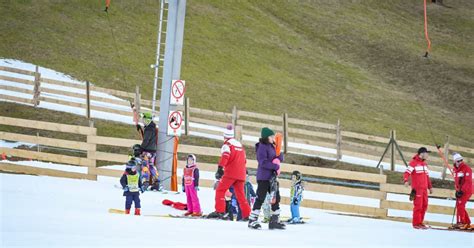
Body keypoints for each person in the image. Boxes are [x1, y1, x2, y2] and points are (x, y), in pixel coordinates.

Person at [207, 124, 251, 221]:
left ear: (224, 136)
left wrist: (220, 168)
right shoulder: (240, 145)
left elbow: (225, 156)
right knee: (241, 195)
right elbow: (244, 161)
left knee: (220, 190)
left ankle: (220, 211)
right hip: (241, 174)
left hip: (231, 173)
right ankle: (247, 214)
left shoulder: (227, 145)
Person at [248, 127, 285, 230]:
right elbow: (262, 162)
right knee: (260, 197)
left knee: (275, 197)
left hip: (272, 178)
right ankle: (252, 220)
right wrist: (275, 166)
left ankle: (274, 220)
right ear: (266, 137)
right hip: (264, 177)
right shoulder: (262, 147)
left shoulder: (272, 146)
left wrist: (279, 156)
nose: (273, 138)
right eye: (271, 136)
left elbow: (277, 157)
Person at [404, 147, 433, 229]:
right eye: (426, 153)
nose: (427, 155)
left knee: (424, 205)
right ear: (422, 154)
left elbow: (427, 177)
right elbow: (406, 173)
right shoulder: (413, 163)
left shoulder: (425, 164)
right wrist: (406, 180)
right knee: (418, 206)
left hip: (424, 189)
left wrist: (430, 187)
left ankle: (420, 222)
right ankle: (416, 223)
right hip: (417, 189)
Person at [452, 153, 472, 229]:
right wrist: (457, 190)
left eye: (461, 160)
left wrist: (462, 191)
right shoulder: (455, 170)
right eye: (458, 161)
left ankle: (464, 222)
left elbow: (468, 181)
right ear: (455, 162)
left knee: (460, 205)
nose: (460, 162)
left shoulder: (467, 168)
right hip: (459, 190)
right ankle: (466, 222)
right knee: (459, 205)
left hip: (467, 190)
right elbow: (456, 181)